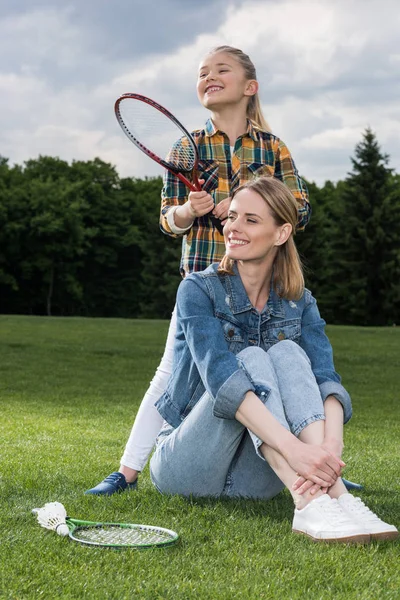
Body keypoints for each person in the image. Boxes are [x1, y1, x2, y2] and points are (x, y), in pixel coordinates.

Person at [85, 45, 359, 495]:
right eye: (202, 73)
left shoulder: (272, 148)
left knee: (275, 367)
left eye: (221, 70)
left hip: (258, 290)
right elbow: (166, 220)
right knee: (170, 373)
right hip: (206, 286)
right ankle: (129, 471)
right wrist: (189, 213)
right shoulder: (187, 146)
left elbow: (301, 208)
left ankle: (322, 464)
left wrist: (241, 202)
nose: (208, 76)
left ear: (249, 87)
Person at [149, 177, 398, 543]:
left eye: (250, 220)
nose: (233, 227)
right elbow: (222, 382)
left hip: (256, 480)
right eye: (232, 216)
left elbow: (326, 381)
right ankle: (307, 501)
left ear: (281, 234)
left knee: (287, 351)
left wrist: (330, 448)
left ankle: (338, 495)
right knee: (249, 358)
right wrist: (297, 449)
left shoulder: (301, 301)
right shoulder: (198, 290)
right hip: (187, 464)